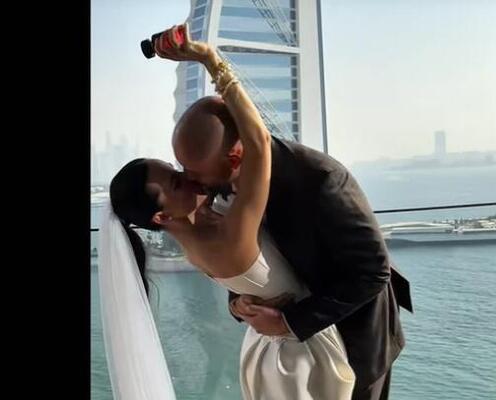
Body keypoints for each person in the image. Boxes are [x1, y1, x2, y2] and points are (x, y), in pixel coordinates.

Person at [101, 23, 356, 400]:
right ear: (161, 217)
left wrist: (239, 303)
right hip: (300, 357)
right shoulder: (224, 239)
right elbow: (258, 142)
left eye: (177, 170)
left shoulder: (198, 230)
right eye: (177, 183)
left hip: (268, 348)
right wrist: (210, 60)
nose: (189, 178)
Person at [169, 29, 414, 400]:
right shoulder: (219, 185)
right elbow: (245, 256)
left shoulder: (322, 180)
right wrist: (239, 303)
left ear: (235, 157)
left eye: (195, 173)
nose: (190, 182)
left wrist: (289, 322)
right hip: (293, 354)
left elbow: (373, 272)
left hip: (355, 341)